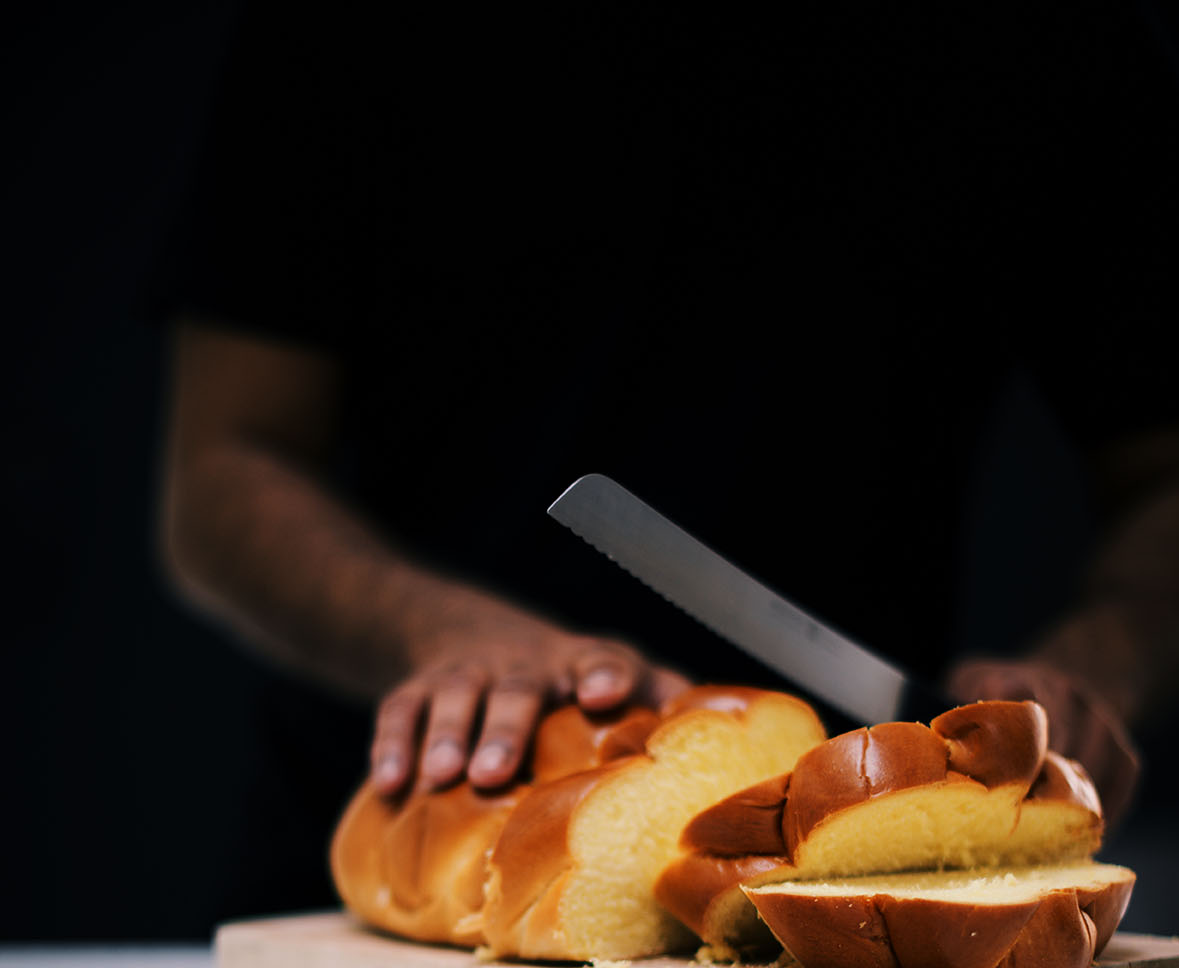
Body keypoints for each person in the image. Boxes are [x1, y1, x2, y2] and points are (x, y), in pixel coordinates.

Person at [159, 1, 1179, 838]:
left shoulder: (1046, 31)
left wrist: (1103, 659)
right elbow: (221, 467)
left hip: (857, 833)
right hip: (411, 809)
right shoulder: (351, 28)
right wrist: (435, 629)